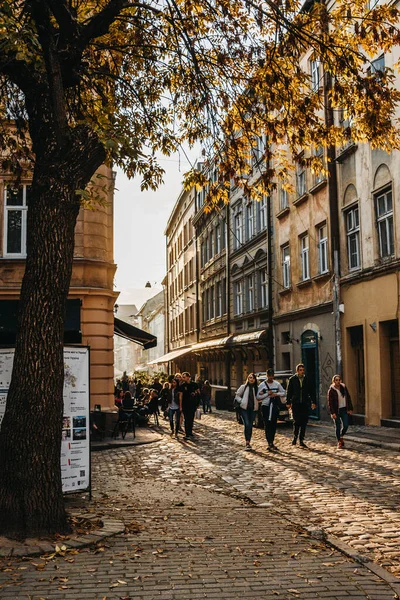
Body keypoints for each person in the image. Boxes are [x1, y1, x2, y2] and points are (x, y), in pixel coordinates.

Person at [286, 363, 316, 448]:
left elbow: (311, 391)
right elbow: (289, 392)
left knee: (304, 422)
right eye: (300, 370)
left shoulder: (307, 379)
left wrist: (314, 402)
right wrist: (288, 402)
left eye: (303, 370)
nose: (302, 371)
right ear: (297, 371)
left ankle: (301, 439)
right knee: (297, 421)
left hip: (305, 403)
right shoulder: (292, 379)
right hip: (296, 403)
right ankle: (295, 437)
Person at [257, 368, 286, 451]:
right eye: (269, 375)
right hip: (265, 406)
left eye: (272, 376)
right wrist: (267, 394)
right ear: (267, 376)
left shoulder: (277, 384)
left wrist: (276, 394)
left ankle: (272, 441)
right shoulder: (262, 385)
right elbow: (258, 396)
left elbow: (283, 392)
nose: (270, 377)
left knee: (273, 424)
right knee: (267, 424)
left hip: (274, 406)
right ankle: (269, 442)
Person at [328, 375, 353, 449]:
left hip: (344, 409)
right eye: (336, 380)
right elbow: (330, 403)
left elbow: (348, 397)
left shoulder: (344, 388)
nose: (338, 381)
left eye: (339, 380)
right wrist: (333, 413)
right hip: (336, 410)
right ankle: (339, 441)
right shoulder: (331, 390)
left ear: (341, 381)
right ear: (333, 381)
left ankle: (341, 436)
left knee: (346, 425)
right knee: (338, 426)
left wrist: (350, 408)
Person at [235, 373, 259, 450]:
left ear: (255, 379)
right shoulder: (244, 387)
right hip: (244, 409)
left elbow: (259, 397)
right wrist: (241, 401)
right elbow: (237, 395)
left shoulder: (256, 388)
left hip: (253, 409)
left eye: (252, 378)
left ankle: (249, 441)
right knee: (247, 424)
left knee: (250, 425)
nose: (251, 379)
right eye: (249, 378)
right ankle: (247, 442)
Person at [179, 371, 200, 440]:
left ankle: (190, 432)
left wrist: (198, 402)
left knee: (191, 419)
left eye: (184, 377)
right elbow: (181, 396)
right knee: (186, 419)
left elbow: (198, 393)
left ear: (188, 377)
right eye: (183, 377)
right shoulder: (182, 385)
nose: (183, 378)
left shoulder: (194, 384)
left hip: (193, 404)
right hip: (185, 404)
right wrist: (181, 406)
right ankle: (187, 433)